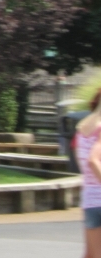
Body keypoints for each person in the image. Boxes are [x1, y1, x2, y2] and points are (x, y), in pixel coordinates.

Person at [76, 88, 101, 258]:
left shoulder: (82, 128)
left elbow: (83, 164)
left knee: (91, 254)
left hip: (90, 199)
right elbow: (93, 160)